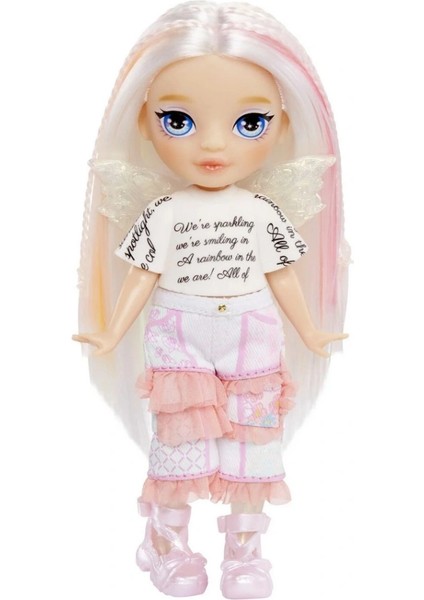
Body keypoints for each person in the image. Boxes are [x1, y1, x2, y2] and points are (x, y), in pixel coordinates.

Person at [73, 2, 349, 598]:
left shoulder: (261, 211)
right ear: (143, 121)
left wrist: (311, 330)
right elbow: (143, 276)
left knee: (254, 442)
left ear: (283, 124)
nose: (214, 144)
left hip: (253, 335)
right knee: (179, 441)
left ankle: (245, 552)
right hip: (180, 335)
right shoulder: (164, 212)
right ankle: (166, 542)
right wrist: (112, 331)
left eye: (250, 123)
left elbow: (283, 275)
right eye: (179, 121)